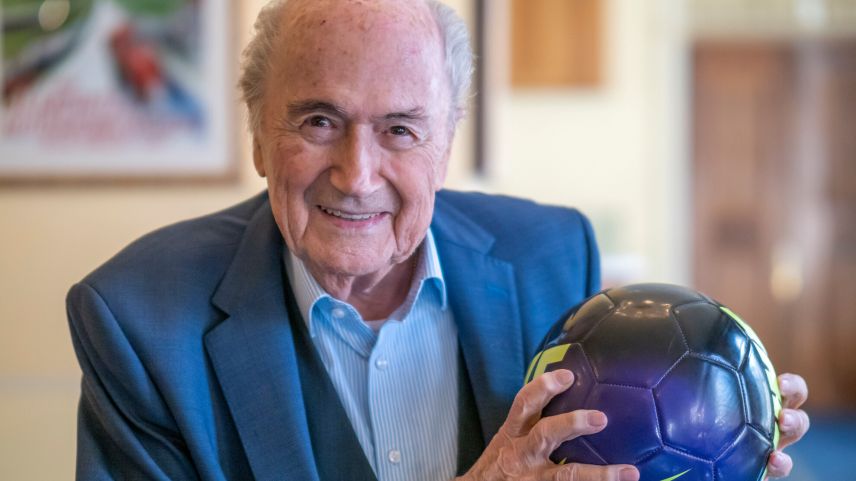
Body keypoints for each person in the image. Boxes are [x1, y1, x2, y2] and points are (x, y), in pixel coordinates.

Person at [66, 1, 810, 480]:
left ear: (447, 142)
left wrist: (716, 441)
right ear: (259, 135)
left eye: (400, 129)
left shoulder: (553, 257)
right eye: (319, 121)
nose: (357, 175)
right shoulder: (139, 319)